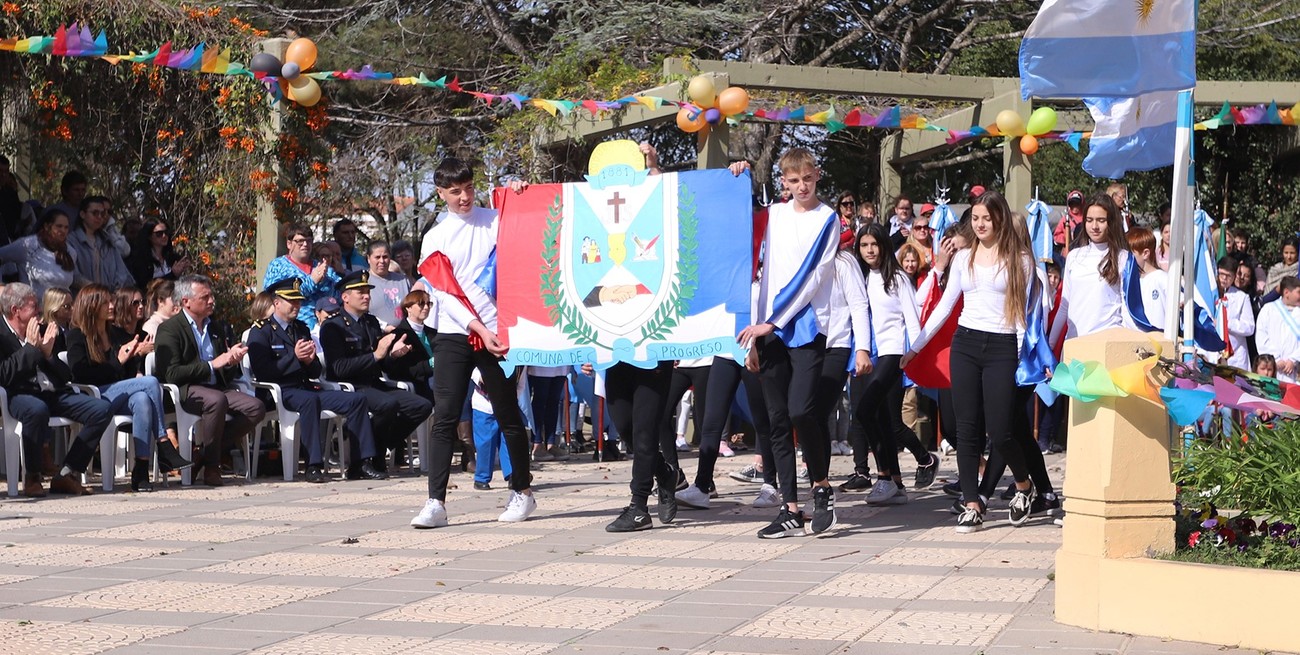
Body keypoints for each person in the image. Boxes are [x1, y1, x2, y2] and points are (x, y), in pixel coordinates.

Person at [902, 190, 1043, 533]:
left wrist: (1022, 356)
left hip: (1002, 345)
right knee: (965, 430)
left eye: (987, 218)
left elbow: (1022, 316)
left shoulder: (1020, 259)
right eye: (975, 218)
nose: (981, 224)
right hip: (965, 343)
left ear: (999, 219)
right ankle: (972, 504)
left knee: (1000, 430)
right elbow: (945, 306)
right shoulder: (963, 258)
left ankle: (1024, 486)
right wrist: (916, 347)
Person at [411, 157, 535, 528]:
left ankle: (523, 492)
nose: (464, 197)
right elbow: (444, 293)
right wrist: (478, 329)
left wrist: (519, 195)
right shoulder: (435, 237)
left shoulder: (496, 219)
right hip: (455, 332)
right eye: (455, 192)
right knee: (445, 416)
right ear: (440, 194)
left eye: (468, 188)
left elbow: (528, 236)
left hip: (499, 331)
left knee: (507, 411)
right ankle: (436, 502)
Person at [734, 149, 839, 539]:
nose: (802, 186)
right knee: (776, 421)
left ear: (817, 175)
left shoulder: (828, 218)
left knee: (800, 411)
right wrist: (739, 175)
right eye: (794, 181)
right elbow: (753, 257)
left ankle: (822, 484)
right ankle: (790, 508)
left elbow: (812, 278)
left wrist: (772, 322)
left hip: (806, 328)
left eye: (807, 179)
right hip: (768, 332)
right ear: (783, 182)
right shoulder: (775, 215)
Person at [247, 278, 382, 483]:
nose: (297, 306)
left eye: (299, 301)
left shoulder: (300, 328)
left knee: (356, 400)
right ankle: (313, 465)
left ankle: (360, 462)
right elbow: (263, 371)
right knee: (310, 401)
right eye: (291, 301)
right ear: (276, 303)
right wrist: (295, 357)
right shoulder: (261, 331)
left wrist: (310, 362)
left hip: (305, 387)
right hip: (280, 391)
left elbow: (316, 371)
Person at [66, 284, 190, 492]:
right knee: (150, 383)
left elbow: (128, 371)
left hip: (119, 394)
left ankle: (140, 469)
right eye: (107, 302)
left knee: (142, 399)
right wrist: (118, 362)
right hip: (95, 397)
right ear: (91, 306)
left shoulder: (115, 333)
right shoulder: (77, 336)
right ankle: (163, 443)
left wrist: (133, 359)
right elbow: (81, 374)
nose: (112, 305)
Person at [847, 223, 937, 504]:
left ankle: (884, 476)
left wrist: (912, 353)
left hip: (893, 354)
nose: (869, 250)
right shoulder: (862, 277)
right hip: (869, 355)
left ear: (884, 245)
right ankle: (899, 482)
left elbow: (913, 320)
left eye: (874, 244)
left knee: (864, 412)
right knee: (885, 419)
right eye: (864, 245)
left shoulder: (897, 278)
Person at [0, 282, 113, 497]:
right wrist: (32, 350)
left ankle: (67, 473)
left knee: (101, 409)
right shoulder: (1, 335)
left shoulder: (43, 329)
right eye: (34, 307)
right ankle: (32, 476)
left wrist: (49, 354)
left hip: (53, 393)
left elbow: (66, 375)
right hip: (20, 394)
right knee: (36, 409)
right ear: (16, 310)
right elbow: (4, 374)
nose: (40, 312)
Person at [154, 274, 267, 486]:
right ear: (186, 301)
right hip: (186, 390)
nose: (211, 300)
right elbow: (172, 373)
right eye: (205, 297)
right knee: (216, 400)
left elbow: (226, 371)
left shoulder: (217, 327)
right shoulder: (170, 329)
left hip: (216, 388)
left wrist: (232, 362)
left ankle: (203, 454)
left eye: (211, 296)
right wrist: (211, 365)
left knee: (256, 407)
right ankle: (212, 467)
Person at [320, 269, 432, 475]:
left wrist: (394, 356)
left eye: (368, 292)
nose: (366, 296)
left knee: (421, 405)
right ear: (345, 297)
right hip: (350, 386)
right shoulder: (333, 326)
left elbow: (383, 365)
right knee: (387, 405)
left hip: (374, 383)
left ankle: (377, 449)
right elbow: (338, 368)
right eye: (360, 292)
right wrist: (376, 356)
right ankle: (364, 461)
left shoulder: (369, 322)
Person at [1049, 194, 1141, 345]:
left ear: (1111, 222)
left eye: (1101, 220)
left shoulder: (1124, 258)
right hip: (1075, 345)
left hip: (1107, 346)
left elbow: (1128, 310)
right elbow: (1065, 306)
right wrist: (1050, 346)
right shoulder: (1074, 257)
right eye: (1089, 220)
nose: (1094, 227)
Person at [263, 224, 340, 330]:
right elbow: (274, 296)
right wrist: (312, 281)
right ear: (289, 244)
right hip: (293, 328)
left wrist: (326, 280)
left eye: (309, 241)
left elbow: (340, 294)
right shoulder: (277, 266)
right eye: (300, 241)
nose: (305, 244)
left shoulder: (322, 267)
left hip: (326, 329)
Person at [0, 208, 79, 298]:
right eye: (59, 226)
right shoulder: (27, 245)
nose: (63, 230)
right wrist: (2, 287)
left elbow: (74, 278)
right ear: (47, 226)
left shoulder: (71, 252)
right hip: (34, 308)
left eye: (66, 227)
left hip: (61, 308)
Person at [69, 196, 134, 289]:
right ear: (82, 214)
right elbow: (73, 276)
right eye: (95, 213)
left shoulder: (108, 241)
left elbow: (122, 272)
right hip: (83, 299)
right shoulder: (71, 241)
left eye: (102, 213)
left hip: (110, 299)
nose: (99, 217)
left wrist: (115, 292)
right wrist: (98, 291)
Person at [383, 289, 436, 401]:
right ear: (408, 308)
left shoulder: (433, 333)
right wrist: (430, 364)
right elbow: (403, 370)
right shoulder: (398, 335)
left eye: (428, 304)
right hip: (419, 385)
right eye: (421, 303)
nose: (426, 307)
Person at [1253, 276, 1300, 383]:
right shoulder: (1268, 309)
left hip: (1293, 370)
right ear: (1287, 292)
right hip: (1270, 369)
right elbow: (1261, 336)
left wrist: (1293, 360)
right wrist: (1275, 359)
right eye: (1299, 292)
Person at [1213, 255, 1256, 371]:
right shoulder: (1210, 294)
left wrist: (1226, 323)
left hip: (1235, 356)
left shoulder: (1242, 297)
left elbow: (1250, 327)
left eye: (1228, 276)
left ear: (1234, 277)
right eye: (1221, 274)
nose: (1224, 279)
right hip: (1211, 354)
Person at [1125, 227, 1169, 331]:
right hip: (1133, 343)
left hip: (1159, 341)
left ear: (1145, 253)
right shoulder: (1126, 282)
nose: (1125, 259)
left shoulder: (1162, 278)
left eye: (1130, 255)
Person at [127, 219, 189, 291]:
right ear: (149, 236)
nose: (164, 236)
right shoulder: (141, 260)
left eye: (166, 232)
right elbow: (146, 286)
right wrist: (172, 274)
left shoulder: (172, 257)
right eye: (159, 234)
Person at [364, 241, 411, 327]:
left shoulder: (403, 280)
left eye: (385, 257)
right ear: (368, 258)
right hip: (377, 334)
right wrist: (384, 327)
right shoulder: (363, 282)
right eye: (377, 257)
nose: (382, 261)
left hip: (405, 333)